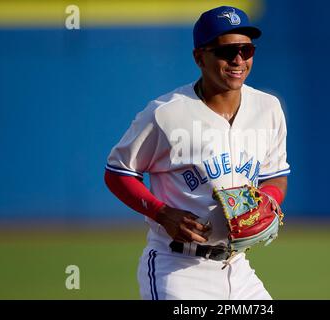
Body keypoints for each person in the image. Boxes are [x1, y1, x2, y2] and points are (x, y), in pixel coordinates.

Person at [104, 6, 290, 300]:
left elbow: (276, 176)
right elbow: (118, 172)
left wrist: (266, 202)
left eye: (246, 49)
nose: (238, 59)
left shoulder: (268, 108)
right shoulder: (165, 114)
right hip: (177, 268)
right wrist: (161, 213)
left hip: (238, 268)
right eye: (226, 52)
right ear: (200, 57)